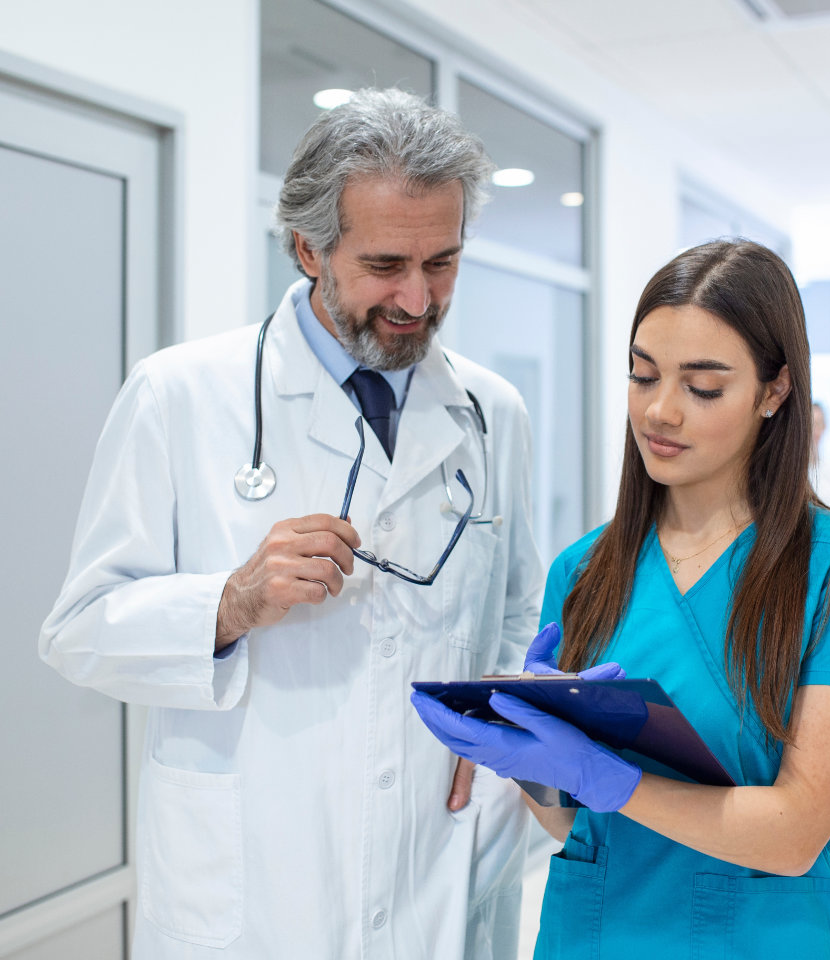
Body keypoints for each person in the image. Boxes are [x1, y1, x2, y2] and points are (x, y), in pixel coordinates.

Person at [40, 88, 543, 959]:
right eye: (387, 264)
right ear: (309, 247)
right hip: (255, 879)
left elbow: (517, 609)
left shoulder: (492, 412)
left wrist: (503, 723)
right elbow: (78, 630)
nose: (419, 300)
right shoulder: (180, 395)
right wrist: (228, 605)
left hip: (437, 851)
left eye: (445, 263)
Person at [413, 239, 830, 958]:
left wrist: (608, 777)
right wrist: (529, 758)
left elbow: (797, 833)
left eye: (702, 387)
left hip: (756, 939)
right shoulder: (584, 571)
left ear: (775, 391)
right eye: (643, 376)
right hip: (589, 934)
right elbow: (572, 827)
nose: (660, 412)